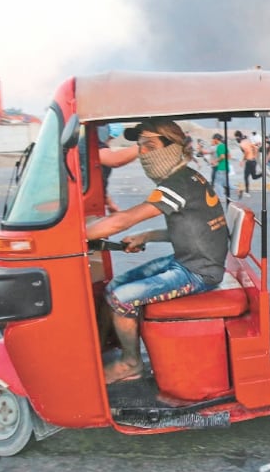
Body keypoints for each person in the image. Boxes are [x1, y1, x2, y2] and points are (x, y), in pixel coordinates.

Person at [86, 120, 230, 384]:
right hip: (189, 260)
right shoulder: (188, 176)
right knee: (115, 284)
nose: (142, 154)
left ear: (172, 148)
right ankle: (111, 346)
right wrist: (147, 236)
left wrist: (73, 235)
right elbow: (192, 231)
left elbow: (123, 220)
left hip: (199, 272)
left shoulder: (177, 185)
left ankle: (131, 363)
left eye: (150, 146)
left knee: (121, 298)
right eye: (140, 147)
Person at [236, 133, 260, 198]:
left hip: (249, 162)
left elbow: (246, 152)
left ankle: (247, 192)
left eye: (236, 137)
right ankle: (263, 173)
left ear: (239, 138)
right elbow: (256, 148)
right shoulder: (248, 142)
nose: (236, 139)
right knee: (254, 176)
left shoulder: (241, 144)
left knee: (246, 177)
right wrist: (254, 156)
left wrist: (243, 161)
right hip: (253, 161)